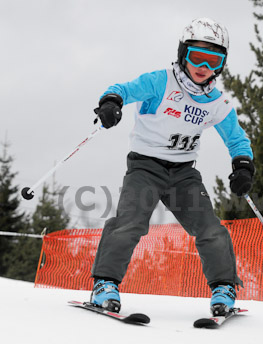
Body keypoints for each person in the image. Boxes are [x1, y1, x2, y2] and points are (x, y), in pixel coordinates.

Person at [89, 17, 253, 316]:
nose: (204, 66)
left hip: (184, 175)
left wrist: (243, 167)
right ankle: (105, 284)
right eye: (197, 57)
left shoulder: (216, 101)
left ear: (222, 63)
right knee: (131, 222)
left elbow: (237, 139)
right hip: (145, 168)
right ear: (183, 53)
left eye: (213, 59)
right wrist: (111, 103)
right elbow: (122, 89)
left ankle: (223, 288)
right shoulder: (160, 81)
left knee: (210, 228)